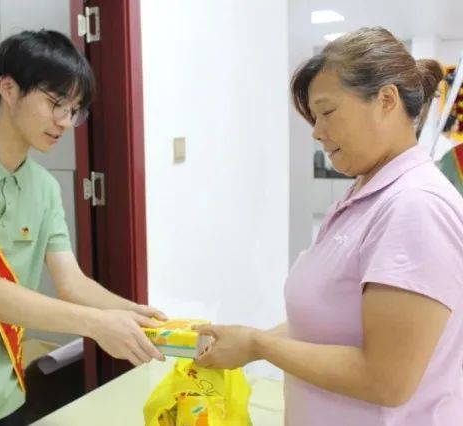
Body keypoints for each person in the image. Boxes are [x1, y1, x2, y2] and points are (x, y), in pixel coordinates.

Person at [0, 30, 165, 426]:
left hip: (6, 391)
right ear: (8, 88)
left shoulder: (45, 187)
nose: (65, 122)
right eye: (56, 103)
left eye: (75, 110)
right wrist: (96, 324)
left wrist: (135, 313)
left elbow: (72, 282)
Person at [195, 27, 463, 425]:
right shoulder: (363, 196)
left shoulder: (416, 206)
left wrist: (259, 345)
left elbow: (387, 380)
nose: (317, 132)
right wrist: (246, 343)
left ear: (386, 100)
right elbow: (326, 324)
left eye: (328, 112)